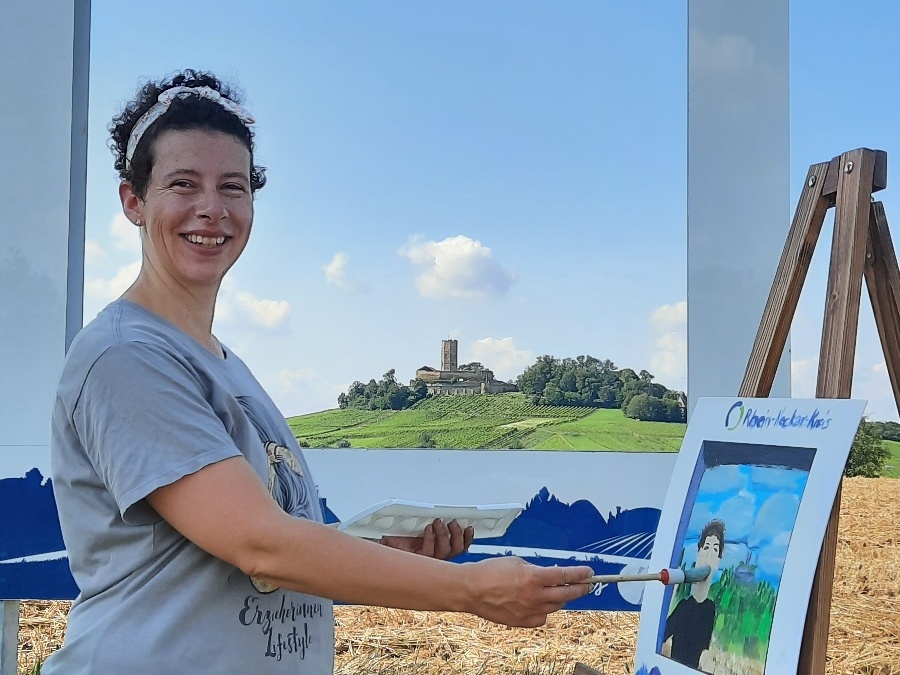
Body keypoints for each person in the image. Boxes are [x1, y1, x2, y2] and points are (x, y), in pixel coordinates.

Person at [44, 69, 593, 673]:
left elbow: (264, 558)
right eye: (183, 184)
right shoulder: (127, 357)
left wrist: (387, 555)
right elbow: (262, 546)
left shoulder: (222, 363)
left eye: (233, 186)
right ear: (133, 201)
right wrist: (470, 592)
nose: (212, 209)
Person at [661, 519, 725, 671]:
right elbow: (660, 638)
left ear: (718, 561)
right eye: (706, 547)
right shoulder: (683, 607)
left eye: (715, 550)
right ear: (698, 553)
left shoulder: (711, 609)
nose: (708, 555)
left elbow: (707, 652)